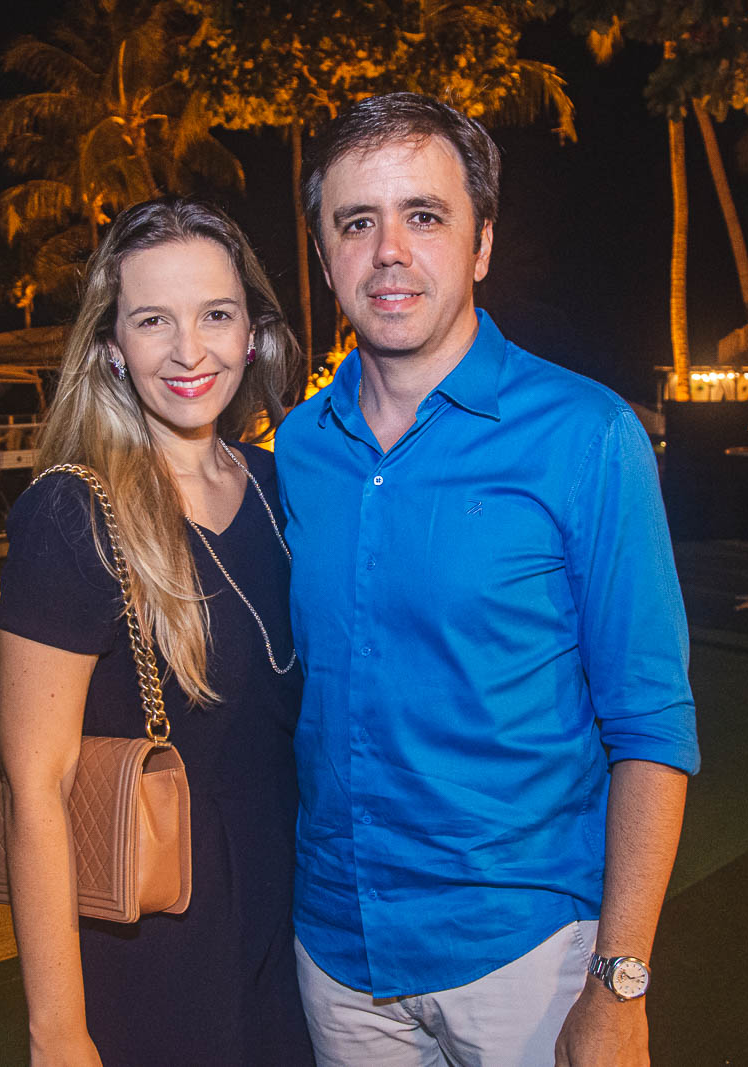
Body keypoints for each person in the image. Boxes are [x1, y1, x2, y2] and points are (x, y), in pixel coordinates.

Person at [275, 93, 700, 1066]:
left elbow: (651, 724)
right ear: (325, 255)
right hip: (336, 953)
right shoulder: (299, 446)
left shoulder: (587, 435)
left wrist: (619, 980)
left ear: (481, 244)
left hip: (527, 958)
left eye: (424, 215)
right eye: (356, 222)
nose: (389, 251)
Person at [0, 197, 312, 1066]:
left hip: (296, 928)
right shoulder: (72, 515)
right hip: (159, 951)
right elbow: (35, 788)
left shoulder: (283, 487)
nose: (189, 350)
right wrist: (58, 1031)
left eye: (216, 314)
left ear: (253, 332)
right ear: (112, 346)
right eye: (152, 320)